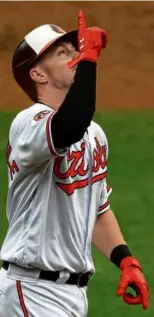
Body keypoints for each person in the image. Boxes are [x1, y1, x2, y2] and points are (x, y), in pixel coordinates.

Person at [0, 10, 149, 317]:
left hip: (72, 296)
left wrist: (125, 259)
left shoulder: (94, 134)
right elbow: (67, 127)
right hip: (31, 289)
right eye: (62, 53)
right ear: (38, 75)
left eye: (76, 50)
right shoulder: (29, 124)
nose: (76, 56)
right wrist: (90, 59)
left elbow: (96, 208)